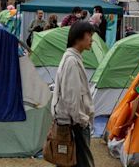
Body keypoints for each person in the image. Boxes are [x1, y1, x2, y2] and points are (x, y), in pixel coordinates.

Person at [51, 22, 95, 167]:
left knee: (67, 162)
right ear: (79, 37)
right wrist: (82, 121)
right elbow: (72, 98)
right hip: (74, 125)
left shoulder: (72, 58)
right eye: (89, 35)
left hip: (71, 123)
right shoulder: (71, 61)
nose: (92, 39)